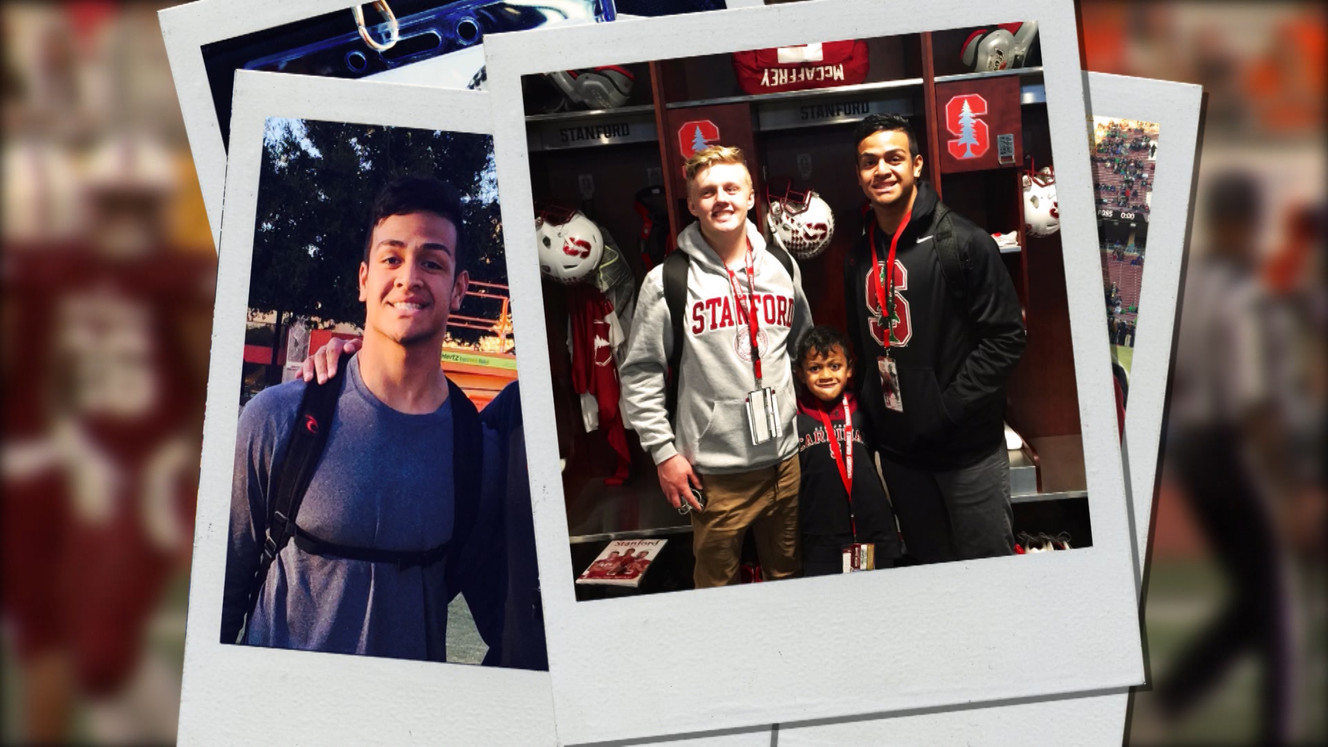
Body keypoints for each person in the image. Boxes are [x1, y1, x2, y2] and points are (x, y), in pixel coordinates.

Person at [220, 175, 504, 663]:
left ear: (459, 289)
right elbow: (214, 604)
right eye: (391, 258)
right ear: (363, 279)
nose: (409, 277)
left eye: (431, 262)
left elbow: (506, 621)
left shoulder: (479, 452)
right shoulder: (273, 421)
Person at [619, 144, 812, 588]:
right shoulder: (668, 279)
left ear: (751, 197)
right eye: (707, 192)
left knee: (789, 576)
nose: (721, 199)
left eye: (731, 188)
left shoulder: (782, 266)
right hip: (715, 474)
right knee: (717, 586)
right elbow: (640, 373)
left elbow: (803, 348)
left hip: (786, 463)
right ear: (691, 204)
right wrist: (664, 454)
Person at [842, 113, 1026, 563]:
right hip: (903, 458)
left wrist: (947, 411)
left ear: (917, 165)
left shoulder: (963, 241)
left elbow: (1006, 337)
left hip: (967, 455)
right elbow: (863, 347)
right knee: (930, 574)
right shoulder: (858, 254)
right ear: (859, 174)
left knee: (989, 577)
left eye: (894, 158)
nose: (881, 170)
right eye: (869, 162)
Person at [792, 325, 901, 576]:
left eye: (834, 365)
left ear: (849, 369)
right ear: (800, 373)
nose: (826, 375)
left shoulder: (864, 409)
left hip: (873, 530)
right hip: (820, 536)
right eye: (815, 368)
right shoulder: (795, 415)